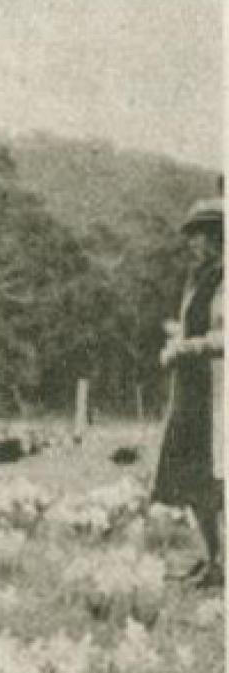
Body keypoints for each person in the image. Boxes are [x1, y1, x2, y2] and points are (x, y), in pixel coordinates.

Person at [153, 196, 224, 590]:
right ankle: (213, 559)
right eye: (191, 237)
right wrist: (175, 338)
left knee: (218, 478)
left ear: (218, 238)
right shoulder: (196, 283)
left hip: (218, 388)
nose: (192, 245)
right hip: (192, 390)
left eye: (199, 236)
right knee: (193, 478)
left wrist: (189, 346)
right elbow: (192, 327)